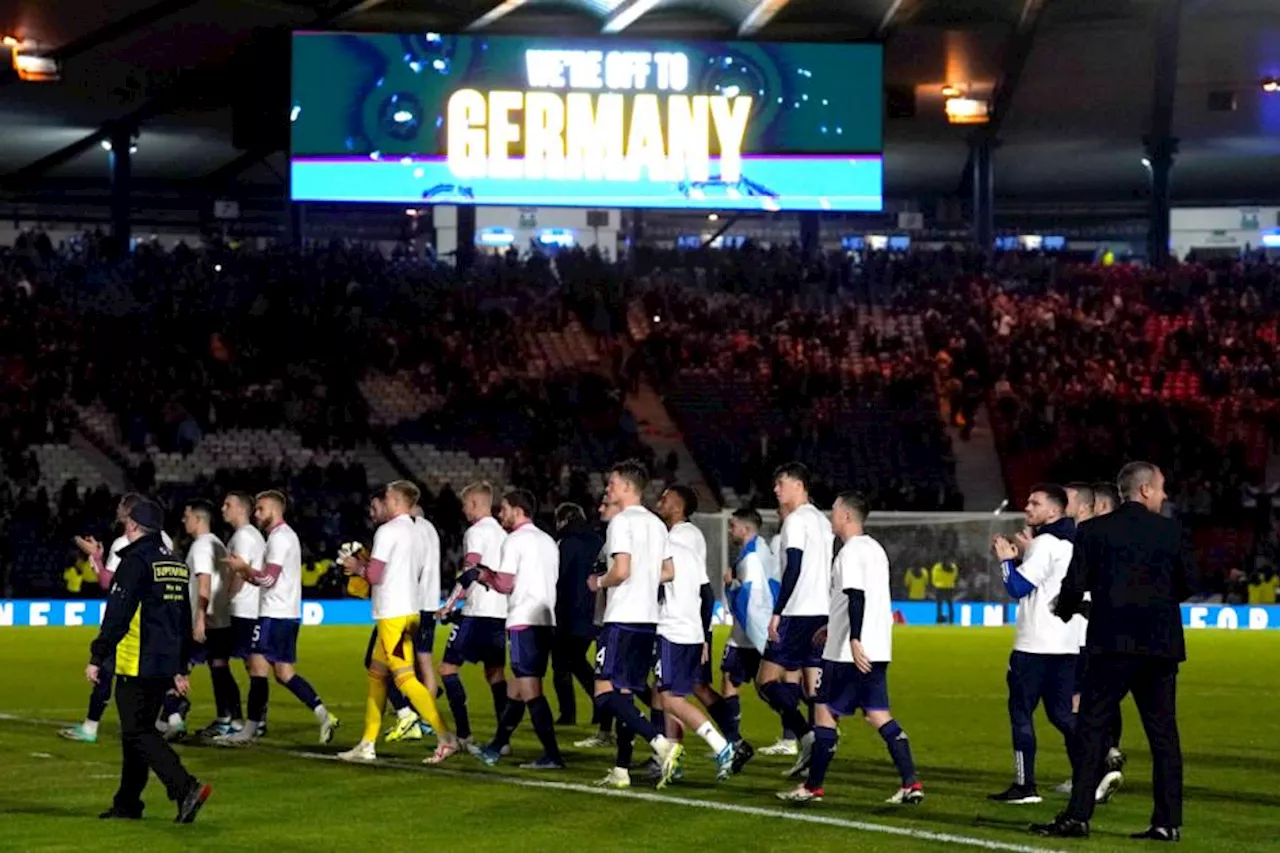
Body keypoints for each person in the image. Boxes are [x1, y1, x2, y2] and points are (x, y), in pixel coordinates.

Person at [1033, 462, 1195, 841]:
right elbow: (1189, 584)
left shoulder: (1092, 531)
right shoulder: (1171, 531)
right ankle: (1166, 822)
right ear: (1144, 490)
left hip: (1111, 645)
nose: (1164, 494)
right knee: (1164, 736)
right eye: (1161, 488)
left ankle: (1077, 817)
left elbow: (1074, 586)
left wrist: (1070, 608)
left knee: (1092, 730)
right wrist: (1155, 601)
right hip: (1160, 645)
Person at [777, 491, 923, 805]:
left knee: (825, 713)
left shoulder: (850, 552)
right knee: (878, 714)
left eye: (834, 510)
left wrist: (852, 638)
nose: (831, 516)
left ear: (846, 516)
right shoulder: (875, 549)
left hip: (847, 652)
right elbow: (858, 598)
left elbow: (857, 595)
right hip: (878, 648)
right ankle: (911, 783)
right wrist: (836, 624)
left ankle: (812, 787)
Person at [987, 485, 1120, 805]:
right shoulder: (1073, 542)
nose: (1027, 507)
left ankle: (1025, 786)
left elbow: (1017, 587)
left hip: (1034, 646)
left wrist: (1006, 561)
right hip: (1067, 646)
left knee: (1021, 713)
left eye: (1035, 503)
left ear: (1054, 511)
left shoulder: (1045, 543)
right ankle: (1095, 769)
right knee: (1062, 715)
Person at [88, 498, 212, 823]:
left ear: (132, 526)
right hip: (164, 662)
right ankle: (127, 803)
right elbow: (182, 618)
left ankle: (185, 787)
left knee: (138, 731)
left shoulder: (135, 562)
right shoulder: (174, 562)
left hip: (136, 661)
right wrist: (181, 665)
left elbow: (118, 614)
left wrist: (98, 655)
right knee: (136, 733)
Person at [337, 481, 457, 764]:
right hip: (406, 611)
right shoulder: (416, 530)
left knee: (404, 678)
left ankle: (445, 736)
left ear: (397, 499)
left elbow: (374, 576)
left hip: (394, 614)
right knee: (377, 676)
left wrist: (356, 567)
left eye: (388, 496)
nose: (385, 500)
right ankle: (367, 743)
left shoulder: (388, 530)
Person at [587, 459, 682, 790]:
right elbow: (669, 571)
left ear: (627, 487)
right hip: (648, 620)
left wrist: (600, 582)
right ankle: (621, 769)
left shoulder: (621, 523)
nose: (608, 489)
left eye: (612, 483)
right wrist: (645, 577)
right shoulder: (657, 524)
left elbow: (621, 570)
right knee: (625, 694)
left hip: (622, 617)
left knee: (603, 693)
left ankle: (660, 743)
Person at [219, 490, 340, 746]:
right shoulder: (283, 537)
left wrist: (243, 569)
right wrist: (247, 573)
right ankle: (323, 715)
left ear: (274, 509)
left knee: (257, 669)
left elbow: (268, 579)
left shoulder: (279, 539)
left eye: (260, 509)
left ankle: (249, 729)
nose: (257, 514)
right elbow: (265, 580)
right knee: (284, 673)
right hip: (285, 614)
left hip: (274, 615)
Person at [62, 493, 175, 744]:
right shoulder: (164, 539)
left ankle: (91, 727)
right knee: (153, 672)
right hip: (158, 618)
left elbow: (108, 583)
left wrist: (96, 558)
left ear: (128, 514)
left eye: (120, 508)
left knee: (106, 669)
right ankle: (172, 717)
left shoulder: (124, 543)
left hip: (131, 619)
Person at [469, 489, 565, 769]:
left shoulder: (515, 541)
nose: (501, 515)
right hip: (546, 620)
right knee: (517, 688)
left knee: (530, 688)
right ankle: (496, 745)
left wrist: (484, 574)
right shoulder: (548, 541)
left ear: (517, 509)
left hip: (523, 619)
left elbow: (505, 585)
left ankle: (552, 755)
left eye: (504, 509)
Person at [759, 462, 832, 780]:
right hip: (822, 612)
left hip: (797, 613)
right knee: (812, 687)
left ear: (799, 485)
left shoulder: (795, 521)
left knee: (765, 681)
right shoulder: (822, 520)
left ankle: (806, 736)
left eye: (781, 483)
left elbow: (794, 567)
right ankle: (818, 750)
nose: (776, 490)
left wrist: (777, 611)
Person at [654, 485, 737, 764]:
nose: (659, 501)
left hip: (679, 627)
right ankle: (670, 757)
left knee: (676, 694)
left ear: (678, 506)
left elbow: (702, 591)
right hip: (687, 627)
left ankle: (729, 743)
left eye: (665, 498)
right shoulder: (684, 536)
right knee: (670, 692)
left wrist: (702, 635)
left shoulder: (680, 538)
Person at [438, 481, 509, 754]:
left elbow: (469, 572)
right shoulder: (503, 534)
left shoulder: (476, 532)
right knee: (495, 674)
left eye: (466, 505)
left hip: (477, 613)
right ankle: (503, 740)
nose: (464, 510)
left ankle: (465, 735)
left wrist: (448, 606)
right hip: (499, 613)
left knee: (447, 669)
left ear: (477, 504)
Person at [720, 506, 777, 773]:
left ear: (745, 528)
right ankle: (803, 732)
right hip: (756, 632)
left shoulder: (751, 558)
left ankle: (734, 742)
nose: (730, 530)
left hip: (749, 634)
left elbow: (748, 600)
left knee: (741, 684)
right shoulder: (760, 551)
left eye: (732, 526)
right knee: (752, 685)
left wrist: (730, 585)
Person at [210, 491, 267, 741]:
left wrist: (224, 602)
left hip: (245, 610)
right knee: (250, 664)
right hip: (248, 609)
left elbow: (238, 575)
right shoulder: (245, 535)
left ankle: (245, 720)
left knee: (250, 665)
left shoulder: (244, 536)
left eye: (228, 504)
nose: (223, 508)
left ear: (242, 509)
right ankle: (251, 720)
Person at [180, 500, 229, 741]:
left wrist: (199, 617)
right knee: (219, 668)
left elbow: (204, 582)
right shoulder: (217, 543)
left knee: (178, 668)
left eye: (186, 516)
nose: (183, 520)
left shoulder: (201, 546)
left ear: (198, 519)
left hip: (205, 620)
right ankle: (227, 719)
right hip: (219, 619)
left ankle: (172, 718)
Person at [551, 502, 602, 726]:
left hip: (567, 611)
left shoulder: (565, 542)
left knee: (563, 664)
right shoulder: (597, 541)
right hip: (594, 611)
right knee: (579, 661)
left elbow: (558, 576)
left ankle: (568, 713)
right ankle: (601, 706)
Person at [760, 504, 801, 757]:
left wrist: (775, 610)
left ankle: (799, 733)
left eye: (781, 511)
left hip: (788, 614)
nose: (778, 514)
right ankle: (808, 734)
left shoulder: (781, 539)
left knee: (767, 680)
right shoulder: (817, 532)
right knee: (796, 676)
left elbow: (778, 577)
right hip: (808, 613)